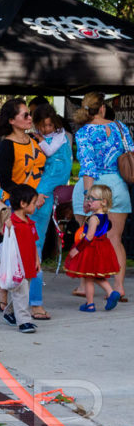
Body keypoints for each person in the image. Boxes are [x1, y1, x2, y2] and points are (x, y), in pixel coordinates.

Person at [72, 92, 130, 302]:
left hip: (92, 185)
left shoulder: (84, 132)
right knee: (115, 239)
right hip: (117, 185)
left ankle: (83, 285)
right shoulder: (121, 128)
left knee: (86, 236)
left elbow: (88, 167)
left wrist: (88, 196)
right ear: (103, 108)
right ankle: (119, 286)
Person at [29, 102, 72, 320]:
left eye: (48, 125)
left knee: (40, 193)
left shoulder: (59, 135)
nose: (45, 129)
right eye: (41, 126)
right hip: (51, 174)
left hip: (55, 172)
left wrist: (38, 139)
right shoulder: (52, 134)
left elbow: (48, 149)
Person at [64, 184, 122, 312]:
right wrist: (87, 208)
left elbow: (89, 236)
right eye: (88, 198)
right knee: (96, 275)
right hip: (103, 247)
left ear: (103, 202)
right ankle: (111, 292)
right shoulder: (104, 216)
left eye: (92, 199)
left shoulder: (94, 218)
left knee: (88, 277)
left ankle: (90, 304)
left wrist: (77, 249)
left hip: (91, 248)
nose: (89, 201)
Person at [0, 184, 42, 333]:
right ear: (23, 204)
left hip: (28, 264)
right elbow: (7, 240)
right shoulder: (12, 223)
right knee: (21, 292)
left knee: (22, 293)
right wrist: (8, 227)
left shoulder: (30, 223)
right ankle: (24, 321)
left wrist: (36, 260)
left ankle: (9, 313)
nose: (35, 206)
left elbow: (34, 244)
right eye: (33, 203)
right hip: (16, 266)